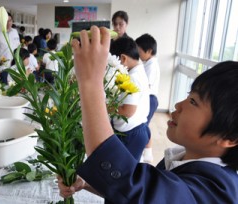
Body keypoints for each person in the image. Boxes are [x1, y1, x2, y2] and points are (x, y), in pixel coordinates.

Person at [57, 26, 238, 203]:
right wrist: (86, 185)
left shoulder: (214, 192)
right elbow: (140, 192)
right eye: (187, 96)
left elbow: (135, 186)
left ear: (230, 138)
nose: (178, 105)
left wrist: (90, 82)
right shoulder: (184, 159)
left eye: (193, 102)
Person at [109, 37, 150, 160]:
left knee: (125, 168)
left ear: (123, 58)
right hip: (137, 129)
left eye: (115, 63)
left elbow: (127, 111)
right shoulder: (139, 70)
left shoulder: (133, 77)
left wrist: (105, 108)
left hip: (131, 133)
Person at [135, 33, 160, 163]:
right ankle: (147, 152)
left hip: (150, 99)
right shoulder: (147, 63)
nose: (137, 54)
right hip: (148, 98)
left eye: (139, 51)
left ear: (149, 51)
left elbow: (145, 84)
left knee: (143, 126)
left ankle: (147, 153)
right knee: (144, 125)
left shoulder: (151, 65)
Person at [0, 12, 20, 84]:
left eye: (10, 20)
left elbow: (18, 46)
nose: (8, 23)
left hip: (15, 65)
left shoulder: (15, 32)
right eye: (6, 21)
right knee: (5, 87)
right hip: (4, 66)